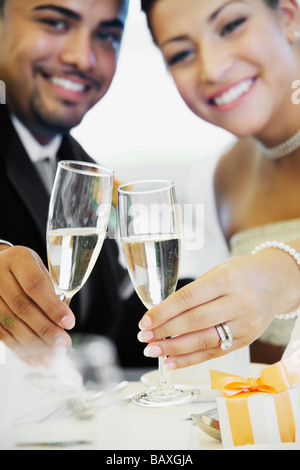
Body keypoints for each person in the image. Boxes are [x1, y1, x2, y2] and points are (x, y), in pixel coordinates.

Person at [137, 0, 300, 368]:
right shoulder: (222, 177)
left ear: (289, 15)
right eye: (181, 54)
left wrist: (282, 272)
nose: (212, 68)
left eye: (231, 26)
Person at [0, 0, 157, 369]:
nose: (83, 58)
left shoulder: (84, 168)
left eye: (105, 35)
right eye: (55, 23)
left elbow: (104, 327)